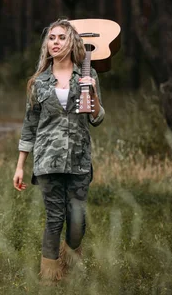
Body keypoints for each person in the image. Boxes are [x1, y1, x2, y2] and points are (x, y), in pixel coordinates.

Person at [12, 18, 105, 285]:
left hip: (78, 160)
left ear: (72, 42)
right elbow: (29, 126)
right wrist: (20, 165)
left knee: (77, 220)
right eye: (51, 38)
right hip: (47, 160)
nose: (55, 42)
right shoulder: (38, 82)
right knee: (54, 218)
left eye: (61, 37)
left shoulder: (87, 75)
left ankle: (70, 266)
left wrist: (94, 94)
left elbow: (97, 118)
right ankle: (49, 280)